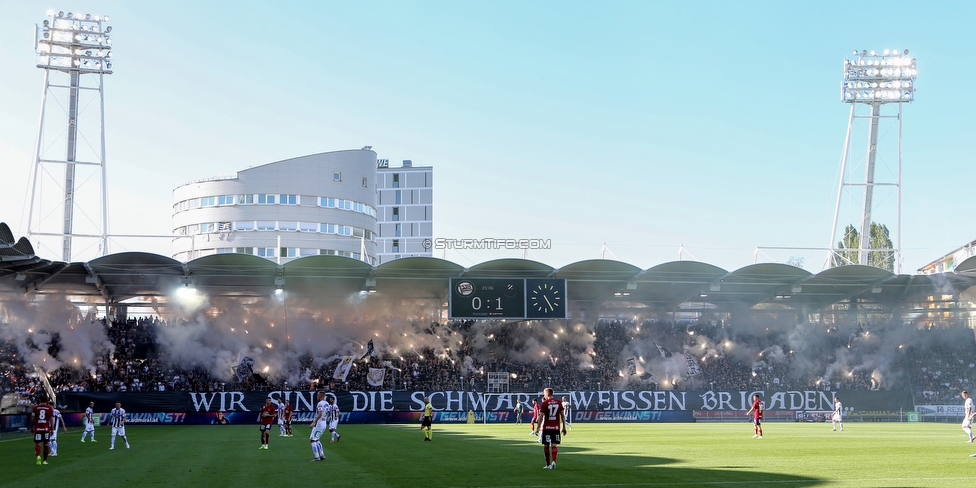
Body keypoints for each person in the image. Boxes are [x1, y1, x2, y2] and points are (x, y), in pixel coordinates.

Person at [539, 388, 567, 470]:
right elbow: (562, 415)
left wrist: (538, 427)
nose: (544, 395)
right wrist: (564, 427)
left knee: (546, 446)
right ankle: (554, 461)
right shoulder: (558, 402)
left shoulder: (545, 403)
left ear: (547, 394)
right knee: (554, 445)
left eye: (544, 394)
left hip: (547, 428)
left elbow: (541, 416)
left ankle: (548, 465)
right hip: (556, 428)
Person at [31, 396, 55, 465]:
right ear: (47, 401)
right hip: (46, 428)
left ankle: (38, 456)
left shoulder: (35, 408)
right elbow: (51, 420)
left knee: (38, 444)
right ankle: (45, 461)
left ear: (40, 400)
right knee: (46, 444)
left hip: (38, 428)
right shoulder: (49, 408)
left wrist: (32, 427)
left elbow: (32, 418)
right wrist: (52, 429)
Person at [309, 391, 328, 461]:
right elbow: (327, 413)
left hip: (319, 424)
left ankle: (317, 456)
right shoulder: (327, 403)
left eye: (317, 395)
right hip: (324, 423)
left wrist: (314, 422)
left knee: (313, 440)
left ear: (320, 396)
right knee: (316, 439)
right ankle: (322, 454)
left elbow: (320, 413)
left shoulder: (320, 403)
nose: (317, 396)